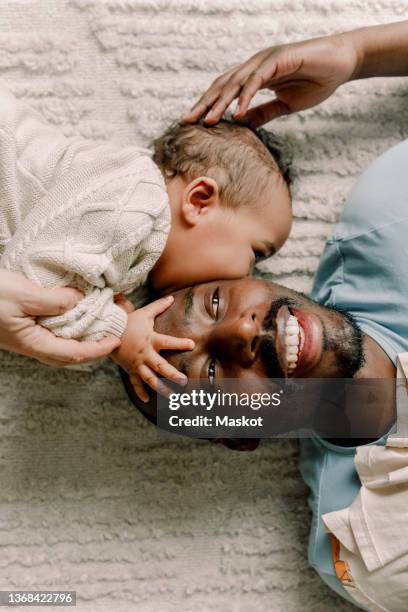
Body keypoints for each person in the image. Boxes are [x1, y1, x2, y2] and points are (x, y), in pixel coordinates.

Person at [121, 19, 408, 610]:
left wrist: (356, 54)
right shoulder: (363, 542)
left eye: (217, 303)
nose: (241, 333)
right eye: (210, 376)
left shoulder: (393, 218)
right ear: (241, 436)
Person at [0, 86, 292, 397]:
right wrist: (119, 330)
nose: (247, 277)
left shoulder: (131, 254)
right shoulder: (138, 198)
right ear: (200, 201)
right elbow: (31, 291)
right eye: (256, 253)